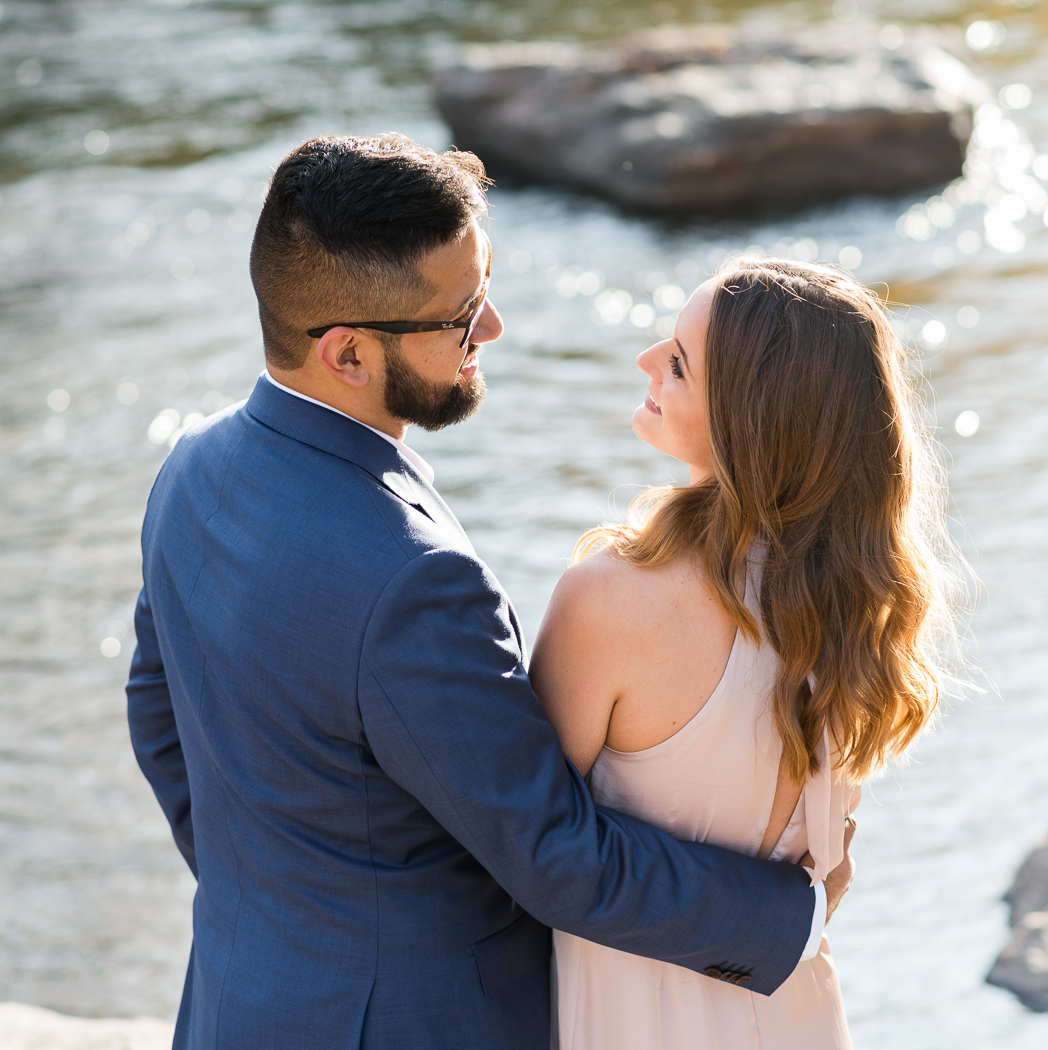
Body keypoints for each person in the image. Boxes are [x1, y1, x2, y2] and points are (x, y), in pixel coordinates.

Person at [124, 134, 833, 1050]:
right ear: (346, 355)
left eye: (485, 284)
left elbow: (156, 713)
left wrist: (276, 898)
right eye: (459, 317)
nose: (491, 327)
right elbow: (552, 856)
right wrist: (792, 915)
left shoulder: (191, 469)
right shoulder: (416, 581)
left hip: (241, 997)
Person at [532, 258, 950, 1049]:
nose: (646, 361)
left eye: (681, 364)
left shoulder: (612, 599)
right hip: (794, 1014)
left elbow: (523, 851)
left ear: (746, 421)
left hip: (629, 1023)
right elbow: (826, 874)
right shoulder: (857, 610)